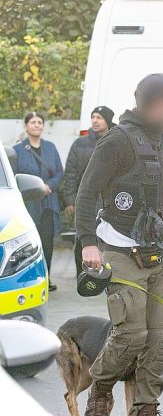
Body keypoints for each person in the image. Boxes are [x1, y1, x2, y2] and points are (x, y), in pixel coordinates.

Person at [76, 74, 163, 416]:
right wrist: (88, 243)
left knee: (159, 337)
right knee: (131, 332)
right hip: (119, 249)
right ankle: (101, 388)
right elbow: (87, 192)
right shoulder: (117, 141)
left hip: (159, 253)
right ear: (147, 102)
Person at [62, 106, 115, 277]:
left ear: (108, 120)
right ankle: (84, 276)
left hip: (109, 200)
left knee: (108, 240)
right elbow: (70, 174)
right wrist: (70, 200)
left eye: (99, 117)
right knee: (83, 238)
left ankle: (107, 275)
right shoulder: (80, 143)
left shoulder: (117, 141)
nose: (95, 121)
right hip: (86, 200)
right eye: (93, 117)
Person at [13, 112, 63, 290]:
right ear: (26, 126)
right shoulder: (17, 150)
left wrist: (48, 186)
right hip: (28, 206)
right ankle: (28, 280)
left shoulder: (50, 147)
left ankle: (46, 278)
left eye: (39, 122)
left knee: (47, 243)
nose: (37, 125)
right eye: (33, 122)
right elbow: (14, 176)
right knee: (28, 244)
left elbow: (59, 172)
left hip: (48, 203)